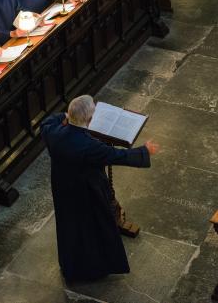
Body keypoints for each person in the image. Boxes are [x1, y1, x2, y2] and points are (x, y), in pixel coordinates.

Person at [42, 95, 158, 282]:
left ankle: (70, 264)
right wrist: (144, 151)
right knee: (90, 227)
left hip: (62, 188)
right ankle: (91, 268)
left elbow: (47, 122)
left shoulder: (54, 133)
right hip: (85, 191)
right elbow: (117, 155)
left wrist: (65, 116)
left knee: (69, 226)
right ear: (89, 119)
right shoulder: (88, 145)